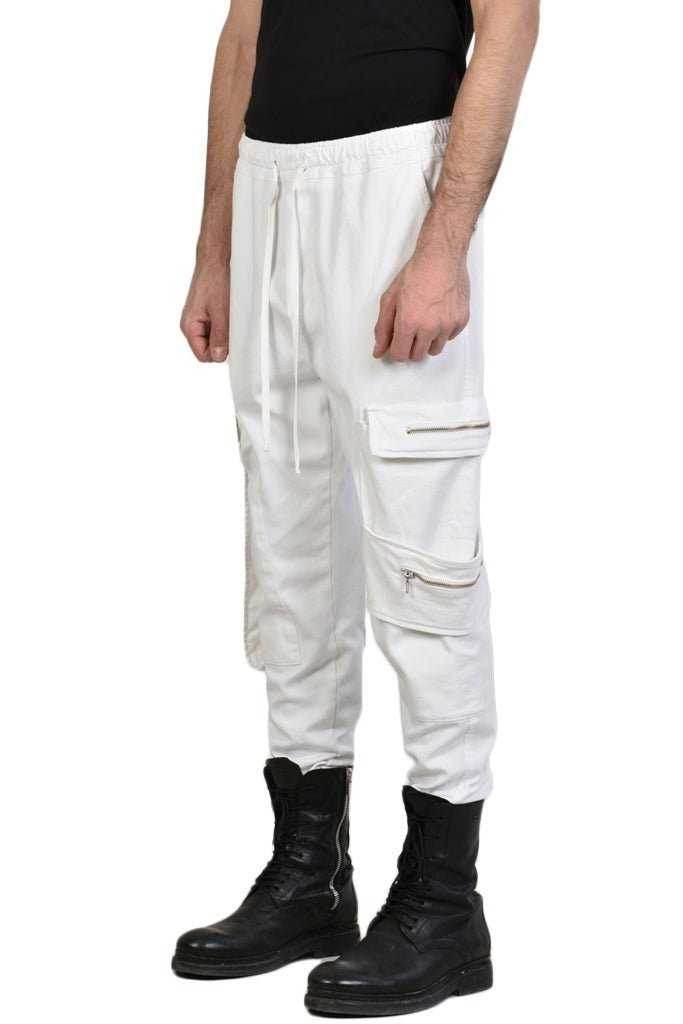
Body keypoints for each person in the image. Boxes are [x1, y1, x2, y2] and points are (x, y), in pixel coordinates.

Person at [173, 0, 538, 1015]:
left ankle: (442, 903)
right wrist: (215, 245)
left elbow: (509, 23)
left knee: (421, 553)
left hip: (395, 181)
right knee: (288, 540)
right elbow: (244, 34)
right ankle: (309, 876)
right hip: (267, 186)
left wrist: (442, 244)